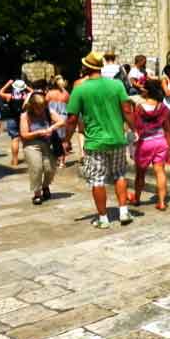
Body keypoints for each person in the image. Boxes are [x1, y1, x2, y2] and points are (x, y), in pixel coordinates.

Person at [65, 51, 135, 229]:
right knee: (119, 174)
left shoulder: (80, 89)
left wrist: (66, 139)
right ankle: (124, 211)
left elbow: (72, 119)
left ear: (87, 67)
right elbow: (127, 110)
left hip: (95, 142)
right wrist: (135, 128)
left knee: (97, 180)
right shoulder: (117, 85)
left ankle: (103, 219)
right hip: (117, 139)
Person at [131, 79, 170, 211]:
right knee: (160, 172)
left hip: (145, 143)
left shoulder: (139, 108)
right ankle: (161, 202)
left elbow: (136, 127)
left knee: (140, 174)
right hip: (160, 141)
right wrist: (169, 150)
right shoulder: (163, 107)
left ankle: (137, 198)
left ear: (147, 91)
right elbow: (167, 129)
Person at [20, 92, 65, 205]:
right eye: (38, 108)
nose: (40, 110)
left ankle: (45, 186)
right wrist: (39, 132)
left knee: (50, 168)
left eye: (42, 107)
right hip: (31, 145)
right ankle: (37, 193)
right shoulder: (25, 116)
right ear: (32, 106)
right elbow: (24, 135)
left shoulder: (48, 112)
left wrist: (51, 128)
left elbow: (61, 121)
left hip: (47, 144)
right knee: (37, 168)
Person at [0, 79, 30, 167]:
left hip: (12, 119)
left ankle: (15, 161)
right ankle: (28, 159)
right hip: (23, 119)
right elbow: (34, 92)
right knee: (25, 140)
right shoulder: (26, 96)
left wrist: (8, 84)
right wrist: (26, 86)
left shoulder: (9, 96)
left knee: (15, 139)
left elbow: (0, 93)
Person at [46, 76, 70, 168]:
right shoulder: (66, 94)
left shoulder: (50, 93)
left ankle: (54, 159)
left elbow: (45, 105)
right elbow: (69, 105)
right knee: (63, 140)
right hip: (63, 118)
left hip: (52, 118)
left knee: (52, 139)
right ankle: (62, 162)